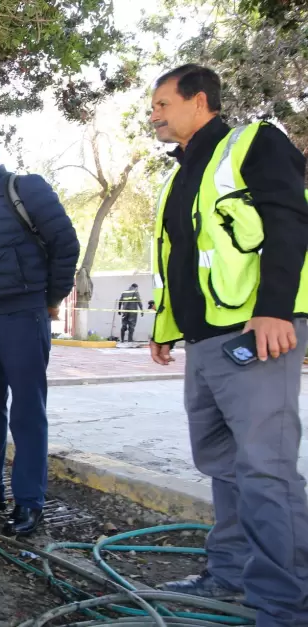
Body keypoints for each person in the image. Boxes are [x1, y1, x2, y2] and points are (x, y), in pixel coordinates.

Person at [147, 64, 308, 626]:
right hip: (206, 340)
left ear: (199, 101)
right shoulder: (180, 174)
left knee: (266, 467)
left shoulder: (252, 144)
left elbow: (290, 221)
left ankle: (285, 605)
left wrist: (275, 309)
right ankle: (232, 574)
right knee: (222, 462)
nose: (155, 116)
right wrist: (167, 328)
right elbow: (181, 259)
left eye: (163, 104)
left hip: (253, 331)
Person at [0, 128, 79, 537]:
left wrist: (51, 298)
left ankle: (29, 501)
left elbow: (66, 245)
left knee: (26, 412)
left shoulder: (26, 189)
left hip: (24, 314)